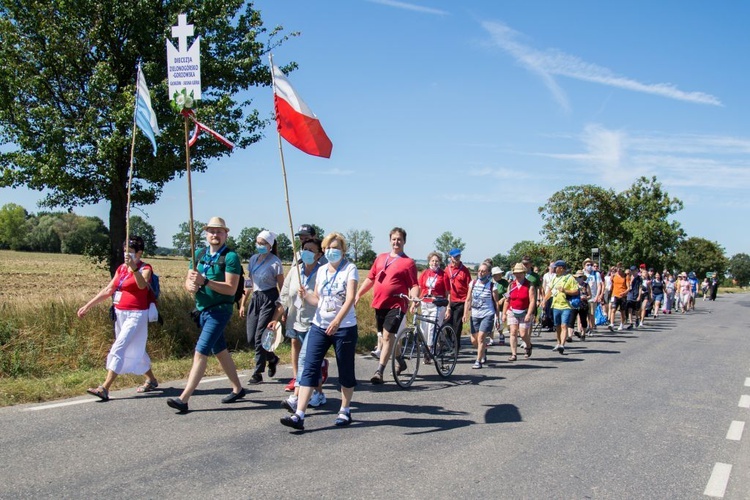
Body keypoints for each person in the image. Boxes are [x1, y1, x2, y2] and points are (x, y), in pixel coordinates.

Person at [280, 232, 359, 432]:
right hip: (319, 325)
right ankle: (299, 414)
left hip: (344, 327)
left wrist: (337, 321)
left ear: (343, 250)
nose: (333, 251)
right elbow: (318, 299)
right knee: (309, 366)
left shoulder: (350, 269)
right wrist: (306, 295)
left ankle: (345, 409)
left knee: (345, 370)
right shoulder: (322, 270)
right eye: (329, 248)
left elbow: (350, 298)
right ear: (324, 250)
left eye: (337, 248)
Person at [166, 218, 245, 413]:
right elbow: (189, 282)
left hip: (219, 311)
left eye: (219, 232)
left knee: (201, 351)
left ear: (226, 234)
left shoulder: (230, 257)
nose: (215, 235)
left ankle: (184, 399)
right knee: (220, 350)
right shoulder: (199, 254)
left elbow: (231, 288)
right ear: (206, 234)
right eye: (211, 231)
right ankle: (238, 388)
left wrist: (205, 282)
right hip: (202, 310)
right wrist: (191, 285)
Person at [78, 236, 158, 401]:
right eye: (125, 252)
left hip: (137, 314)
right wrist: (88, 305)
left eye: (131, 252)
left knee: (120, 346)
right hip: (120, 313)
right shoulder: (121, 268)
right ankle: (151, 379)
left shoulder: (145, 268)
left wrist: (133, 268)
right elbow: (109, 289)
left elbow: (142, 285)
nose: (127, 255)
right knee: (135, 347)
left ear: (140, 253)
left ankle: (104, 387)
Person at [355, 227, 419, 384]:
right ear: (390, 240)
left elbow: (414, 284)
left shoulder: (408, 262)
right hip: (380, 303)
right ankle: (400, 361)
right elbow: (370, 278)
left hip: (397, 304)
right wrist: (358, 294)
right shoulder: (381, 258)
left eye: (399, 239)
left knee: (387, 336)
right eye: (394, 239)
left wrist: (415, 297)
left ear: (404, 241)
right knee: (386, 339)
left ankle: (379, 371)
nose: (396, 242)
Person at [279, 237, 328, 408]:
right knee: (310, 362)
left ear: (319, 254)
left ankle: (296, 397)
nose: (306, 252)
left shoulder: (323, 272)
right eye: (304, 249)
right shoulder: (295, 271)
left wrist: (308, 296)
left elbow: (327, 299)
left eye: (311, 250)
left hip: (315, 323)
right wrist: (274, 318)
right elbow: (284, 297)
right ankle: (319, 394)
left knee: (304, 359)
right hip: (295, 321)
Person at [241, 229, 285, 384]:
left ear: (270, 245)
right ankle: (272, 358)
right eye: (258, 242)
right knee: (251, 337)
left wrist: (282, 309)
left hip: (269, 298)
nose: (259, 245)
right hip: (256, 298)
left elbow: (282, 287)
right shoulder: (253, 259)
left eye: (263, 243)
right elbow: (249, 282)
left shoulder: (275, 262)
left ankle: (258, 372)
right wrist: (243, 302)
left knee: (260, 335)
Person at [463, 262, 499, 368]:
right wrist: (465, 313)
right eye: (479, 271)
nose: (480, 273)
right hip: (475, 314)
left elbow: (496, 303)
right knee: (474, 340)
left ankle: (478, 361)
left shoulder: (492, 286)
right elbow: (468, 299)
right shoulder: (473, 283)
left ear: (488, 273)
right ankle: (483, 351)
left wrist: (498, 318)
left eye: (483, 271)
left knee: (481, 338)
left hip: (487, 314)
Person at [417, 252, 450, 363]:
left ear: (440, 262)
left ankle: (430, 352)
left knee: (432, 328)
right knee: (424, 329)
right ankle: (429, 347)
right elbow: (420, 289)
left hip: (438, 304)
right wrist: (415, 302)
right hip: (425, 303)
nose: (434, 263)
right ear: (429, 262)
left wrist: (448, 308)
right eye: (432, 261)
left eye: (436, 261)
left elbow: (447, 293)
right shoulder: (424, 273)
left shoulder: (444, 275)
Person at [502, 263, 536, 361]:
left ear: (524, 273)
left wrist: (529, 314)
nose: (518, 275)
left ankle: (528, 346)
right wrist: (504, 313)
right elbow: (507, 300)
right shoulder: (511, 285)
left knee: (523, 334)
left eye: (520, 273)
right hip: (512, 311)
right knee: (513, 332)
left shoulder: (529, 285)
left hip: (524, 311)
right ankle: (514, 354)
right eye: (516, 273)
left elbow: (532, 301)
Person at [549, 260, 578, 354]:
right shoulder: (554, 278)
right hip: (556, 305)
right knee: (557, 326)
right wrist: (544, 301)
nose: (554, 269)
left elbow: (576, 291)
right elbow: (549, 290)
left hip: (566, 305)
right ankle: (558, 343)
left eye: (555, 267)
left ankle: (562, 345)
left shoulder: (570, 278)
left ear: (561, 268)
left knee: (564, 325)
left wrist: (565, 290)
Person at [444, 248, 472, 341]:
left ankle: (455, 346)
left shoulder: (464, 270)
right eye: (455, 256)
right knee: (447, 323)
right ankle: (450, 343)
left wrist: (469, 301)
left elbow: (470, 287)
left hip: (461, 301)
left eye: (458, 256)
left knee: (457, 324)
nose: (457, 258)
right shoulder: (447, 269)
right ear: (450, 257)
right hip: (449, 300)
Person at [583, 258, 603, 335]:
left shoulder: (596, 274)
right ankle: (583, 329)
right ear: (584, 266)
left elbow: (599, 286)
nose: (589, 266)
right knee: (583, 314)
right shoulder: (582, 273)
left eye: (590, 265)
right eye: (587, 265)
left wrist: (597, 296)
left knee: (591, 314)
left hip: (593, 297)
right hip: (584, 297)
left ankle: (591, 329)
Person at [491, 266, 509, 345]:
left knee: (499, 322)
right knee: (491, 323)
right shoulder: (490, 282)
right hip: (491, 305)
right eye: (498, 274)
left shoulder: (504, 282)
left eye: (500, 274)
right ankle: (491, 339)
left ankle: (501, 334)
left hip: (501, 307)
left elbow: (508, 293)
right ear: (494, 275)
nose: (500, 275)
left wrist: (503, 299)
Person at [608, 263, 628, 331]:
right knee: (613, 309)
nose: (619, 270)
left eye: (620, 268)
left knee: (622, 311)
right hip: (615, 294)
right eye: (618, 268)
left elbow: (629, 287)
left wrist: (624, 292)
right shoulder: (614, 276)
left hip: (622, 295)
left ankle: (622, 324)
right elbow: (610, 285)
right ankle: (612, 324)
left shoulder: (625, 276)